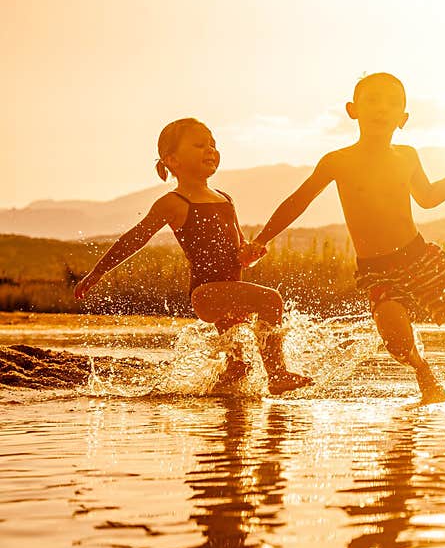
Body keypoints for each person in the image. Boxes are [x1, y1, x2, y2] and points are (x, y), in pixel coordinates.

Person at [240, 73, 445, 407]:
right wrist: (261, 239)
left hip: (422, 259)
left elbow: (429, 197)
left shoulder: (407, 156)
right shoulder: (337, 161)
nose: (381, 108)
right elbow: (299, 200)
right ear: (352, 110)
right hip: (377, 270)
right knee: (396, 341)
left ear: (403, 119)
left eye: (392, 103)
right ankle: (424, 372)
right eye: (372, 100)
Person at [74, 118, 312, 395]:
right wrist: (99, 272)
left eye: (213, 144)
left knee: (239, 369)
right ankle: (277, 374)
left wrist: (250, 252)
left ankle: (217, 407)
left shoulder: (224, 198)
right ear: (172, 159)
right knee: (271, 299)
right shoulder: (174, 202)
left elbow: (238, 249)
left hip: (230, 291)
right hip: (207, 293)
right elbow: (135, 238)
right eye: (200, 145)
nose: (210, 150)